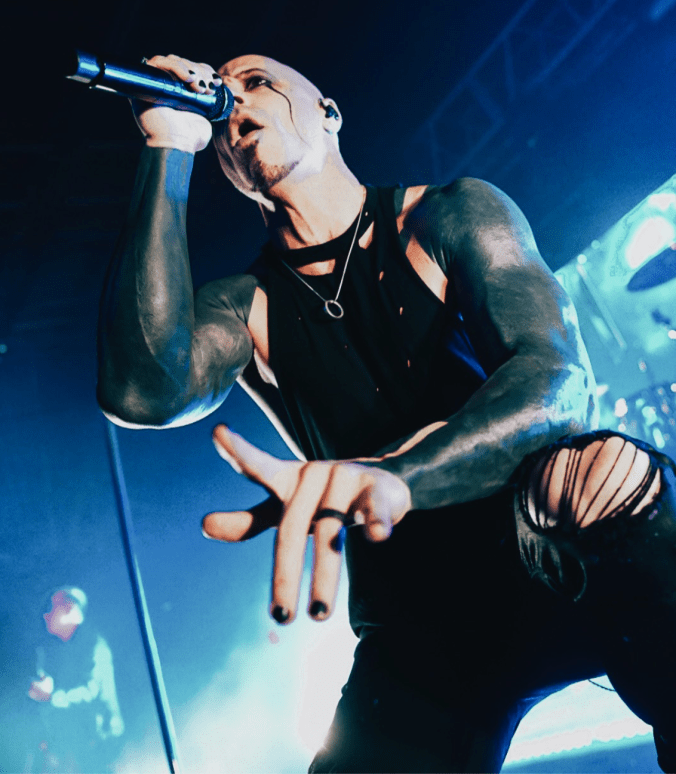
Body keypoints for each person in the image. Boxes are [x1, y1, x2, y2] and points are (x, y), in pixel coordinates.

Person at [97, 52, 676, 773]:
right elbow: (141, 391)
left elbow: (554, 381)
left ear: (328, 113)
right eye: (223, 102)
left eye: (258, 83)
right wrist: (169, 143)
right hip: (420, 624)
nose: (235, 104)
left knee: (616, 477)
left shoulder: (449, 213)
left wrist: (396, 475)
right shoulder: (245, 307)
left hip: (558, 540)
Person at [26, 586, 124, 772]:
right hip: (74, 746)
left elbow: (90, 691)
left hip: (97, 743)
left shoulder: (94, 646)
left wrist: (51, 696)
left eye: (51, 608)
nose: (45, 615)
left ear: (70, 609)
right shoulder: (55, 650)